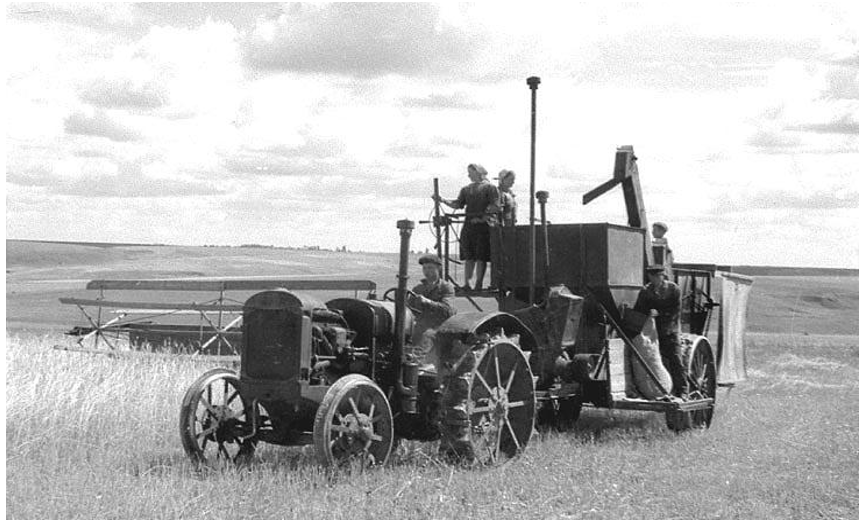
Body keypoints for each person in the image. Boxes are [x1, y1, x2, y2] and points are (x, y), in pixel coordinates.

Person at [433, 164, 499, 291]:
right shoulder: (466, 189)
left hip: (483, 226)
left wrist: (482, 218)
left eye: (471, 172)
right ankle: (467, 284)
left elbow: (494, 206)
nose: (469, 175)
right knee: (469, 256)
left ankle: (478, 283)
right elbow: (458, 204)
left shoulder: (490, 188)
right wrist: (442, 200)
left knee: (481, 256)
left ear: (479, 172)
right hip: (469, 225)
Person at [634, 264, 688, 398]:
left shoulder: (673, 289)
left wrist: (659, 314)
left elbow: (675, 311)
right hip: (652, 333)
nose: (653, 279)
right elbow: (639, 310)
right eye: (651, 276)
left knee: (676, 360)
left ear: (662, 276)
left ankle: (683, 391)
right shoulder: (646, 291)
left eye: (656, 276)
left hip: (669, 330)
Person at [408, 253, 456, 371]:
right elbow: (409, 309)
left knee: (425, 337)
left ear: (438, 268)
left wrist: (427, 302)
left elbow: (448, 310)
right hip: (420, 325)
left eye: (430, 268)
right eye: (424, 268)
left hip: (439, 326)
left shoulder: (446, 287)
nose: (426, 271)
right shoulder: (417, 289)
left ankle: (417, 368)